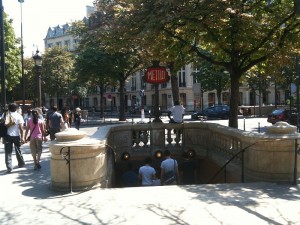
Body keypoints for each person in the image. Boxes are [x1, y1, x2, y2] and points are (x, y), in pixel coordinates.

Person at [4, 103, 25, 173]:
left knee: (8, 152)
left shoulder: (5, 115)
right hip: (16, 135)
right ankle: (21, 163)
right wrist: (22, 137)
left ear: (9, 108)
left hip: (7, 136)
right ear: (16, 108)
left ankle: (9, 167)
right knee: (18, 150)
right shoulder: (19, 116)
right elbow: (21, 128)